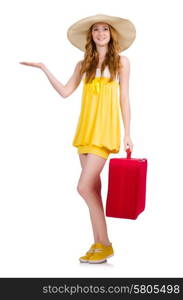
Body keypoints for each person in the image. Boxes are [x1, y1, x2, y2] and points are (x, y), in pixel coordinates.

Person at [19, 14, 136, 264]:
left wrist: (127, 133)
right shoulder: (83, 64)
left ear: (111, 35)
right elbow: (64, 91)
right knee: (93, 189)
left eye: (105, 29)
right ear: (91, 35)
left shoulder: (122, 62)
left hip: (104, 133)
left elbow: (124, 100)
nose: (101, 33)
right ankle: (99, 243)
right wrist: (43, 67)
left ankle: (104, 244)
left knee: (83, 187)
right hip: (84, 132)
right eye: (96, 30)